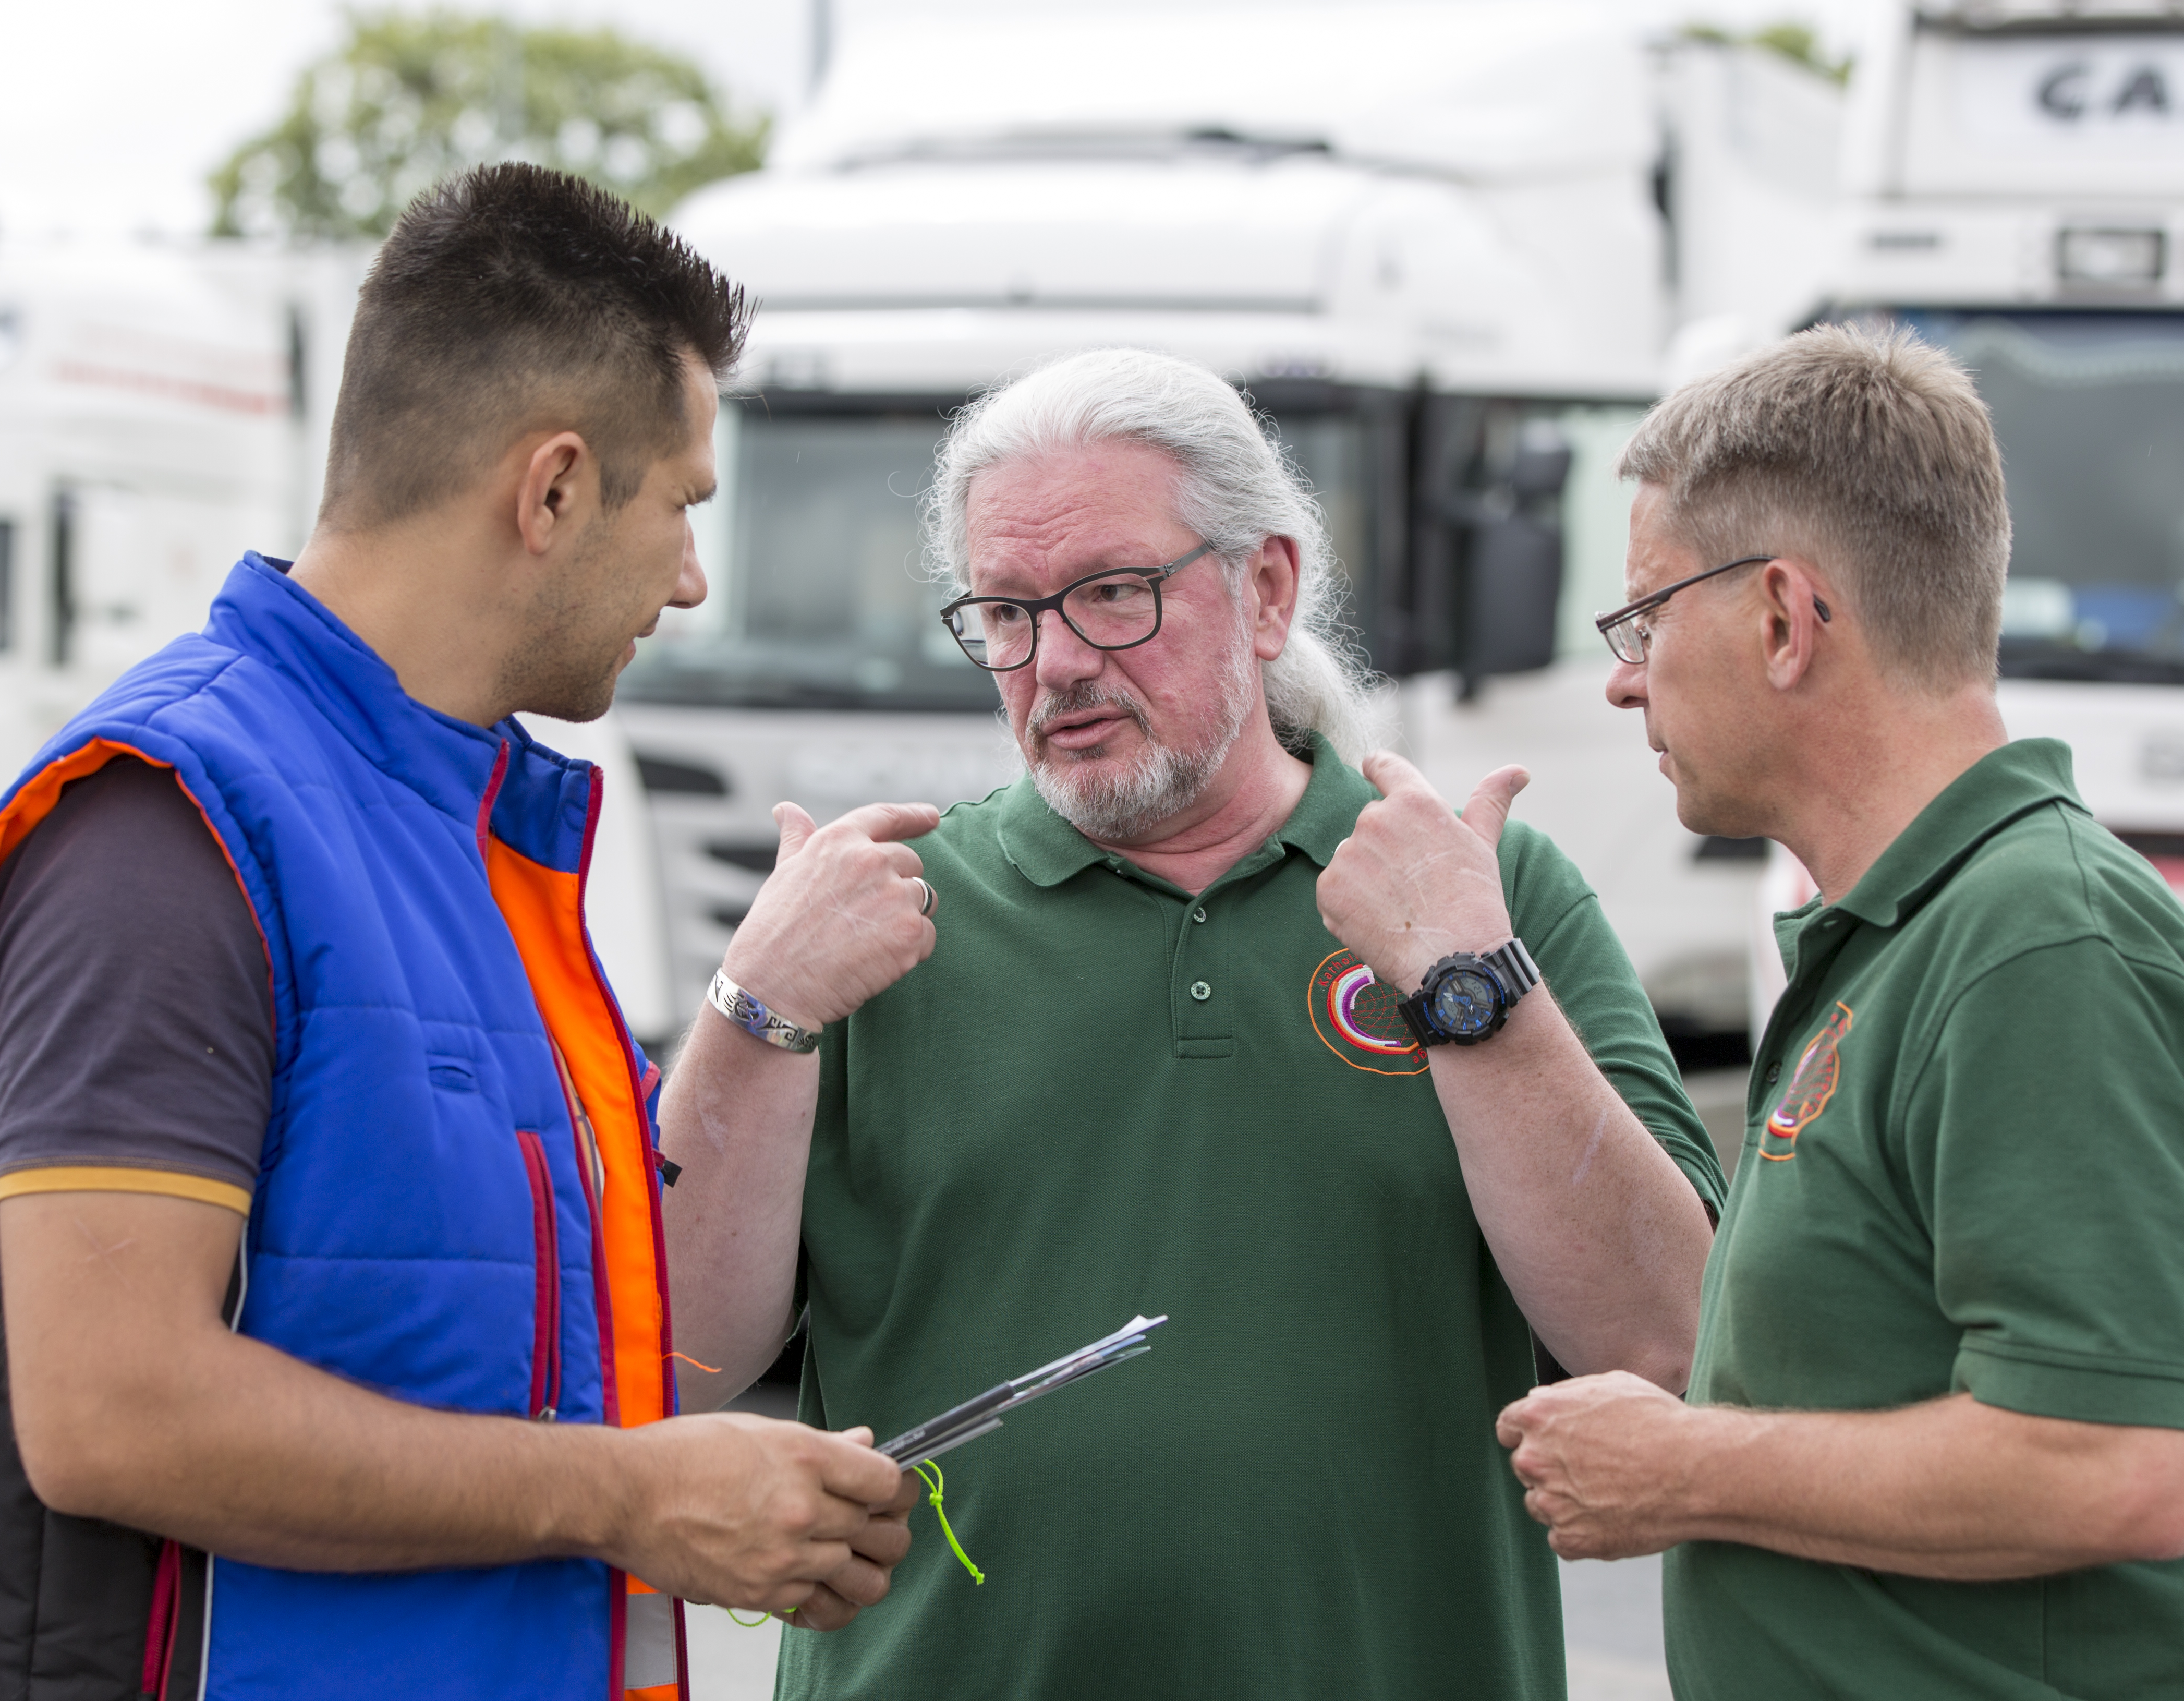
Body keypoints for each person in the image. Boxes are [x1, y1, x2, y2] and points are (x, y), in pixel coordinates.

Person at [0, 165, 922, 1701]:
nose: (691, 580)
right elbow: (112, 1413)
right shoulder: (170, 824)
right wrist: (632, 1499)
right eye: (682, 506)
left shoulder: (472, 846)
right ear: (551, 490)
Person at [662, 346, 1726, 1698]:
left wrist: (1470, 989)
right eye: (1004, 611)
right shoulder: (872, 920)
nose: (1053, 663)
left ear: (1265, 587)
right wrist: (756, 1008)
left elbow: (1670, 1343)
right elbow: (670, 1362)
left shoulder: (1484, 894)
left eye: (1111, 595)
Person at [1496, 323, 2184, 1699]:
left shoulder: (2037, 943)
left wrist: (1681, 1468)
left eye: (1642, 618)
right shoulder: (1935, 928)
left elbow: (2118, 1468)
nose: (1620, 677)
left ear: (1780, 617)